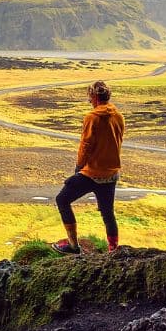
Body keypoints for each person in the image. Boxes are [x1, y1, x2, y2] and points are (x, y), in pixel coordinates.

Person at [51, 80, 125, 254]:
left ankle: (73, 246)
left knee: (62, 200)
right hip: (111, 173)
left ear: (94, 97)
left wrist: (78, 168)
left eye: (90, 98)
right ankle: (113, 251)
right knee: (108, 214)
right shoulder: (119, 116)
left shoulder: (91, 118)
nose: (89, 101)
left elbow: (85, 146)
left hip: (92, 172)